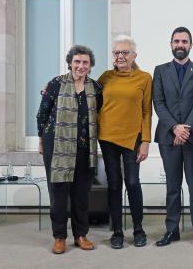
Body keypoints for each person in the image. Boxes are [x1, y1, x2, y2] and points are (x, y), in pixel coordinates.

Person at [37, 45, 102, 254]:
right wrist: (41, 139)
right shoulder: (56, 84)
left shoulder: (96, 88)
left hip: (85, 148)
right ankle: (59, 237)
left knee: (81, 195)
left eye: (85, 62)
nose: (81, 66)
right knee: (58, 194)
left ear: (90, 65)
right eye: (77, 62)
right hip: (57, 146)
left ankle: (81, 235)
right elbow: (42, 114)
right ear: (70, 63)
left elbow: (99, 115)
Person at [153, 27, 193, 248]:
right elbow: (159, 102)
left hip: (192, 138)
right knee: (173, 187)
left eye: (184, 41)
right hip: (169, 138)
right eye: (176, 41)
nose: (180, 44)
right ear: (170, 44)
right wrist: (175, 127)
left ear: (190, 45)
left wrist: (185, 130)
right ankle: (171, 230)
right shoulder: (160, 70)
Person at [97, 35, 152, 249]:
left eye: (124, 52)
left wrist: (146, 140)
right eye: (116, 53)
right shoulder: (105, 77)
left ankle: (138, 228)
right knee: (114, 184)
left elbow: (147, 111)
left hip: (133, 138)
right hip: (107, 137)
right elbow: (88, 95)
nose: (120, 56)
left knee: (132, 183)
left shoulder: (145, 78)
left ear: (134, 55)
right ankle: (117, 231)